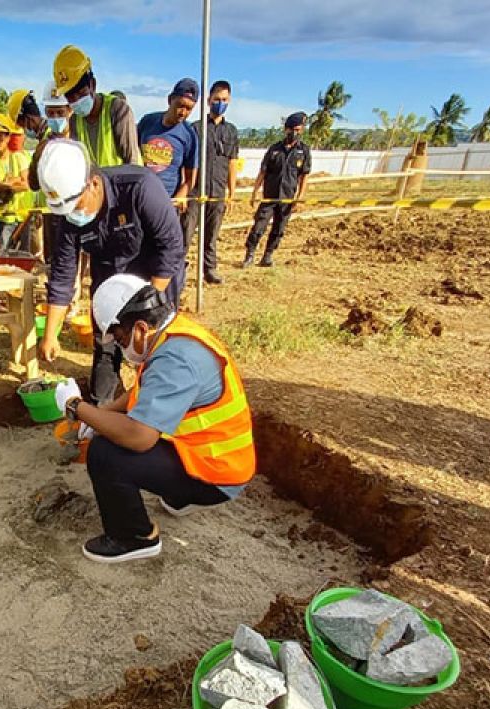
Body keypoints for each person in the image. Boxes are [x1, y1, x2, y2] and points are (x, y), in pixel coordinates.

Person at [50, 274, 255, 563]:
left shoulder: (176, 360)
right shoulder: (175, 335)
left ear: (140, 328)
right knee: (109, 433)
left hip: (217, 475)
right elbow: (142, 393)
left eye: (120, 339)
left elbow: (139, 437)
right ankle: (181, 496)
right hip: (217, 458)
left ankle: (133, 537)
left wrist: (76, 407)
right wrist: (100, 415)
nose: (120, 348)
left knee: (105, 452)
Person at [35, 138, 185, 405]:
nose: (73, 215)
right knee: (106, 343)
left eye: (77, 205)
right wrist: (50, 334)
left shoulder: (140, 187)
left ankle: (156, 408)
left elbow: (171, 248)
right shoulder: (69, 212)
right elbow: (62, 274)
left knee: (154, 345)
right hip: (109, 277)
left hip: (154, 274)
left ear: (93, 183)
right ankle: (101, 411)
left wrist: (146, 303)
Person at [52, 44, 141, 168]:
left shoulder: (118, 110)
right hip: (94, 186)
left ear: (92, 85)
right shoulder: (74, 120)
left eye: (81, 93)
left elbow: (133, 164)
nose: (76, 101)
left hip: (122, 185)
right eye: (70, 97)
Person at [136, 77, 200, 247]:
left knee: (162, 250)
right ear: (170, 99)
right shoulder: (147, 122)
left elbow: (190, 178)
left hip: (167, 205)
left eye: (189, 109)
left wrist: (182, 195)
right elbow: (132, 157)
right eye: (180, 105)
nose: (183, 112)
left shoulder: (189, 135)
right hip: (140, 201)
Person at [244, 112, 311, 268]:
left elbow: (304, 176)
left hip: (287, 198)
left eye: (299, 130)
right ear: (286, 129)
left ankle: (267, 256)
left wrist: (300, 197)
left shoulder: (304, 151)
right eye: (293, 129)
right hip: (270, 197)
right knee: (259, 226)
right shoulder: (274, 149)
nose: (295, 133)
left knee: (279, 229)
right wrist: (255, 191)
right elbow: (263, 171)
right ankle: (250, 254)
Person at [189, 80, 238, 286]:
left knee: (211, 235)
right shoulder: (196, 128)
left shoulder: (232, 131)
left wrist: (231, 192)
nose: (220, 103)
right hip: (195, 191)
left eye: (224, 100)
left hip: (218, 192)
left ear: (230, 101)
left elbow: (232, 161)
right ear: (208, 101)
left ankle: (209, 270)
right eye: (216, 99)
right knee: (186, 233)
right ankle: (177, 271)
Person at [0, 113, 32, 252]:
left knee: (24, 257)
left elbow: (27, 184)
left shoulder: (18, 158)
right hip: (2, 220)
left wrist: (5, 185)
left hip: (23, 218)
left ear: (8, 137)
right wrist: (14, 182)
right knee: (3, 258)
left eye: (0, 136)